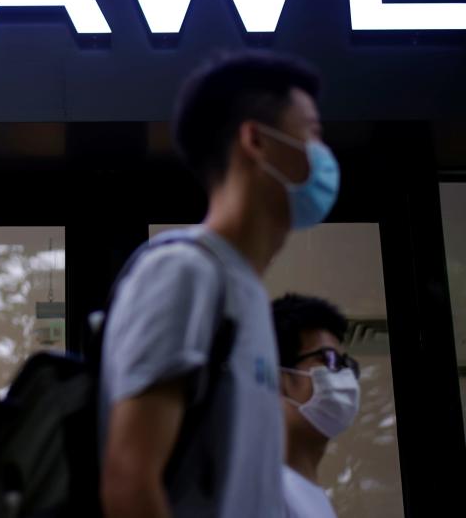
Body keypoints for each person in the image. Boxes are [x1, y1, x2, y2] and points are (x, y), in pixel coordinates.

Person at [99, 51, 340, 518]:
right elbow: (130, 480)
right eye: (311, 135)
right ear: (256, 140)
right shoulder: (184, 273)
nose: (323, 156)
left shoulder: (244, 294)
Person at [273, 294, 361, 518]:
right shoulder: (264, 490)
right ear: (279, 378)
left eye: (346, 364)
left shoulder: (308, 494)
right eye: (329, 360)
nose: (345, 374)